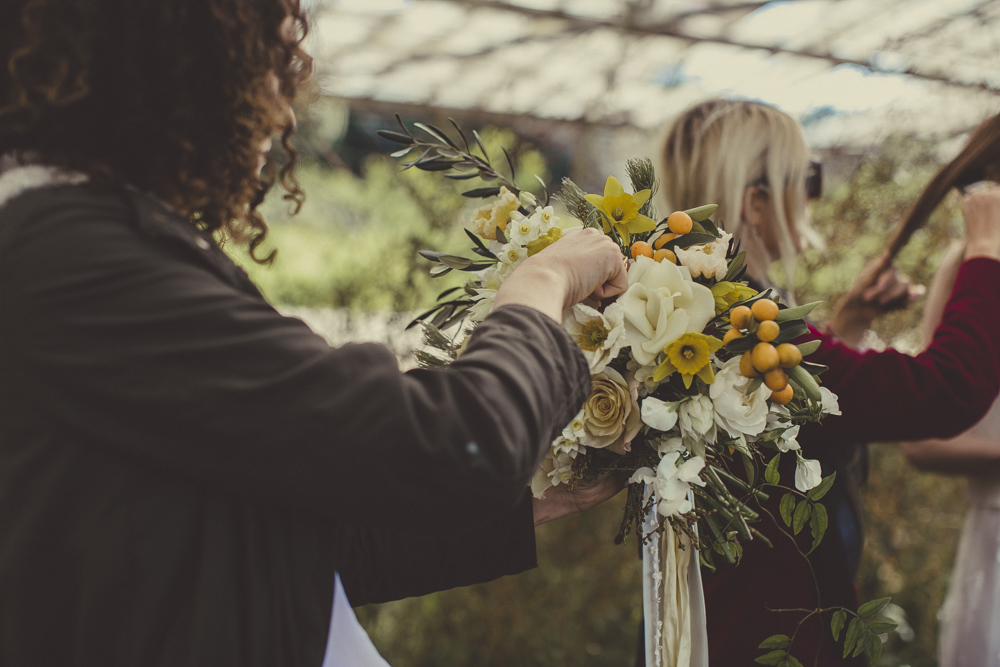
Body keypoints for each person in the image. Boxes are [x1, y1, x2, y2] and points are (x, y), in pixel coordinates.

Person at [0, 1, 626, 665]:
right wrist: (540, 288)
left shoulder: (71, 241)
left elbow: (272, 531)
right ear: (174, 65)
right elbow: (442, 446)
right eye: (262, 67)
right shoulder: (68, 257)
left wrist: (531, 502)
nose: (280, 109)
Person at [653, 99, 1000, 665]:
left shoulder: (703, 311)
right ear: (756, 202)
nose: (815, 194)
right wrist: (987, 254)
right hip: (776, 631)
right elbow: (943, 390)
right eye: (807, 177)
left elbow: (806, 415)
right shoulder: (749, 325)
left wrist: (851, 325)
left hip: (731, 617)